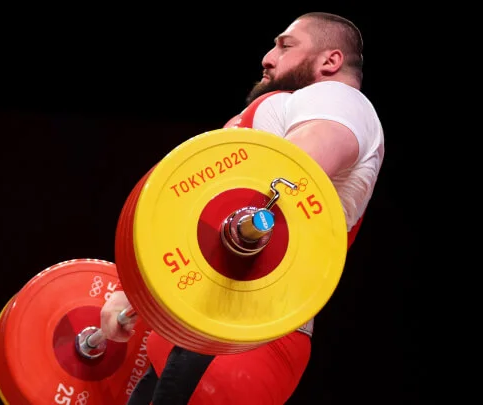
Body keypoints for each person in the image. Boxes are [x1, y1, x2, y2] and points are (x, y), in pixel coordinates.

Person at [100, 11, 385, 405]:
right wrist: (137, 290)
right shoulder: (285, 109)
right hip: (198, 328)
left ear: (330, 61)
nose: (268, 57)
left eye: (285, 45)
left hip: (243, 341)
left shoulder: (339, 99)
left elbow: (287, 177)